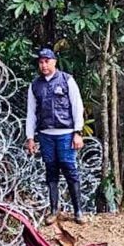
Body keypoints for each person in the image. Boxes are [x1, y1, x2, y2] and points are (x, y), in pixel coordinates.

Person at [26, 48, 86, 224]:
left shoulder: (67, 80)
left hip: (66, 134)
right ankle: (53, 210)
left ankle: (78, 211)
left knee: (70, 170)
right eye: (41, 62)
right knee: (51, 171)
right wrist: (30, 137)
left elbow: (77, 106)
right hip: (45, 135)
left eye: (47, 61)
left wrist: (78, 132)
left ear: (54, 62)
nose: (44, 65)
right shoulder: (35, 85)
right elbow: (31, 113)